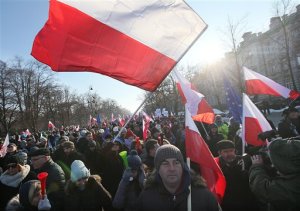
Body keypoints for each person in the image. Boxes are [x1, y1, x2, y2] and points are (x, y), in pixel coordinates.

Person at [137, 145, 219, 211]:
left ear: (182, 166)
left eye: (176, 163)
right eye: (165, 164)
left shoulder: (204, 197)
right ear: (158, 168)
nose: (172, 168)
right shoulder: (146, 197)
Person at [249, 138, 300, 211]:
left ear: (286, 163)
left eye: (273, 161)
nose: (273, 165)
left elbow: (261, 188)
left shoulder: (290, 187)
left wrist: (257, 166)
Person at [215, 140, 259, 211]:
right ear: (219, 152)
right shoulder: (216, 164)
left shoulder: (244, 160)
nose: (229, 154)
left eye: (231, 151)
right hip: (228, 203)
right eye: (225, 151)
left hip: (246, 201)